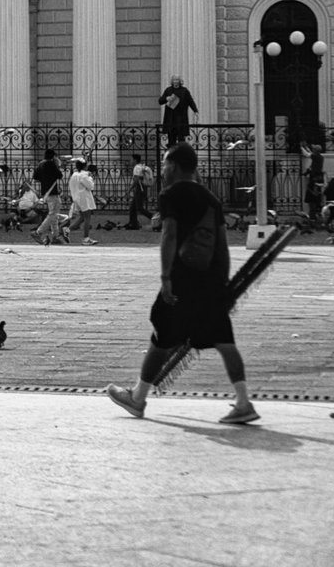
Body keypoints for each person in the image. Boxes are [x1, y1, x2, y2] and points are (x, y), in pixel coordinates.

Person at [106, 142, 259, 425]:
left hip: (182, 278)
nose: (162, 170)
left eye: (165, 164)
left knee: (161, 336)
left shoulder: (171, 194)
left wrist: (166, 277)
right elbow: (222, 246)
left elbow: (170, 234)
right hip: (211, 280)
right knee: (225, 341)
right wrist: (224, 284)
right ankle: (243, 401)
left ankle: (138, 397)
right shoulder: (211, 198)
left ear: (174, 166)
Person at [32, 149, 64, 242]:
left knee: (54, 215)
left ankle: (55, 236)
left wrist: (45, 179)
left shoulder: (41, 164)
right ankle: (38, 232)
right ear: (53, 156)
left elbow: (35, 177)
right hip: (52, 191)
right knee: (53, 214)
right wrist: (57, 166)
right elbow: (60, 175)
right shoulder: (51, 164)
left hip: (45, 191)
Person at [158, 75, 199, 146]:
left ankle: (181, 152)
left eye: (177, 80)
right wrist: (166, 98)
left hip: (181, 118)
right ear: (172, 81)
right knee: (171, 141)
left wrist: (195, 111)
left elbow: (190, 101)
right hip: (171, 118)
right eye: (174, 80)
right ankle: (171, 152)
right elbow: (160, 101)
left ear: (180, 81)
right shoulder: (168, 90)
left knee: (181, 141)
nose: (175, 81)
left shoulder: (184, 90)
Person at [67, 158, 98, 245]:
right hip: (84, 198)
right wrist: (90, 177)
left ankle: (66, 230)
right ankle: (86, 238)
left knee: (82, 217)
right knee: (87, 217)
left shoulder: (74, 175)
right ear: (85, 166)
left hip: (76, 198)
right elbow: (91, 186)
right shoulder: (84, 176)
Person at [126, 154, 156, 229]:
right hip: (143, 188)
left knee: (139, 208)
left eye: (131, 159)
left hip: (140, 188)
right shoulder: (141, 167)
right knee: (132, 207)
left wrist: (129, 189)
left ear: (135, 160)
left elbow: (136, 180)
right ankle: (133, 224)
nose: (130, 161)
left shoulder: (136, 167)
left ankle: (155, 218)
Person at [303, 144, 324, 220]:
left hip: (315, 178)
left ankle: (312, 217)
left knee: (312, 199)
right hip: (317, 177)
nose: (313, 150)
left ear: (316, 151)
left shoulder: (316, 157)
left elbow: (307, 154)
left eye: (314, 149)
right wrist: (306, 147)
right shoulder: (320, 157)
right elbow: (310, 153)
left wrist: (301, 147)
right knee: (315, 198)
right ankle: (313, 215)